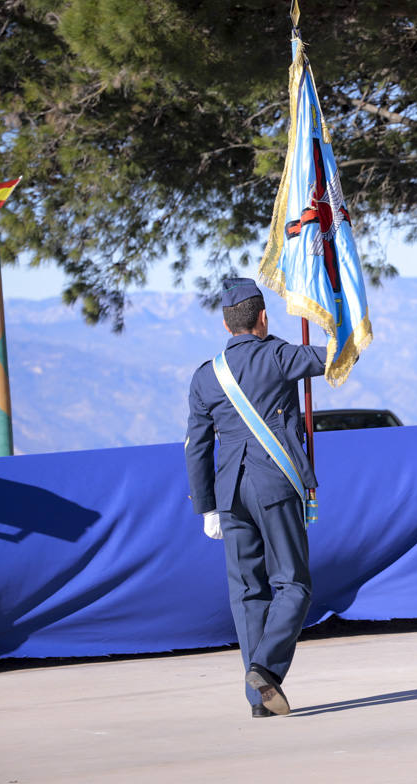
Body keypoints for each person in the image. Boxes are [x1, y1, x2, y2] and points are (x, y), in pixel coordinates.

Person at [184, 278, 327, 718]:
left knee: (248, 592)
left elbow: (197, 445)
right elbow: (340, 358)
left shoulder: (206, 375)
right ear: (263, 318)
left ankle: (260, 702)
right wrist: (334, 316)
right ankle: (265, 668)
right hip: (272, 483)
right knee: (293, 583)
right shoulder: (278, 355)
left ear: (226, 324)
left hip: (229, 493)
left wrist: (205, 505)